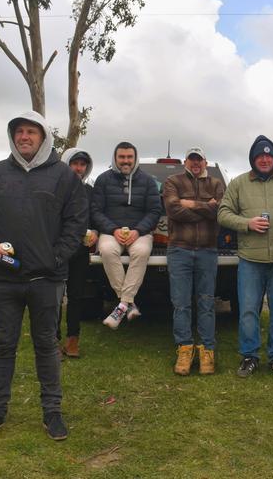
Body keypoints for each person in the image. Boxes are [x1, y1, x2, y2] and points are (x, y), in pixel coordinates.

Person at [0, 111, 87, 443]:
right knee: (2, 346)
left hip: (46, 280)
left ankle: (52, 412)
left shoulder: (64, 177)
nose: (24, 136)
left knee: (46, 345)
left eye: (31, 131)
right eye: (19, 131)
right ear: (12, 136)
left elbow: (77, 221)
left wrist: (56, 255)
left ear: (43, 136)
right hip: (4, 279)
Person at [218, 135, 273, 377]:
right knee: (248, 310)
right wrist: (247, 223)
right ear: (253, 159)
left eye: (269, 155)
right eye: (260, 155)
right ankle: (249, 356)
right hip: (250, 259)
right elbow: (223, 213)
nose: (265, 159)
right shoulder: (238, 183)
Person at [163, 147, 225, 375]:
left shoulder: (217, 184)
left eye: (199, 160)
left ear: (205, 162)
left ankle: (207, 350)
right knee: (181, 303)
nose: (196, 163)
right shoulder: (172, 180)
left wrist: (189, 203)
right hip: (179, 249)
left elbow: (219, 211)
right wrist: (205, 207)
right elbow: (173, 209)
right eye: (192, 159)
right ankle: (184, 347)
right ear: (185, 161)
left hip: (208, 250)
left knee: (207, 301)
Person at [91, 141, 163, 329]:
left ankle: (121, 305)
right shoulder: (103, 179)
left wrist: (138, 231)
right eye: (122, 157)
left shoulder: (147, 181)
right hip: (110, 232)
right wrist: (113, 229)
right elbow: (96, 211)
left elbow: (155, 211)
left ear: (135, 158)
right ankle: (128, 303)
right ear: (115, 158)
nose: (126, 161)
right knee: (106, 250)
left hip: (140, 233)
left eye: (129, 157)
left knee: (141, 252)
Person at [58, 148, 98, 358]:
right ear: (67, 163)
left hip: (80, 251)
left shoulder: (89, 191)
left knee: (76, 296)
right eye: (75, 163)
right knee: (55, 296)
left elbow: (94, 217)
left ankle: (73, 340)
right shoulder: (55, 188)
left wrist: (95, 232)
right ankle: (53, 340)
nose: (79, 168)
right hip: (57, 250)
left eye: (82, 164)